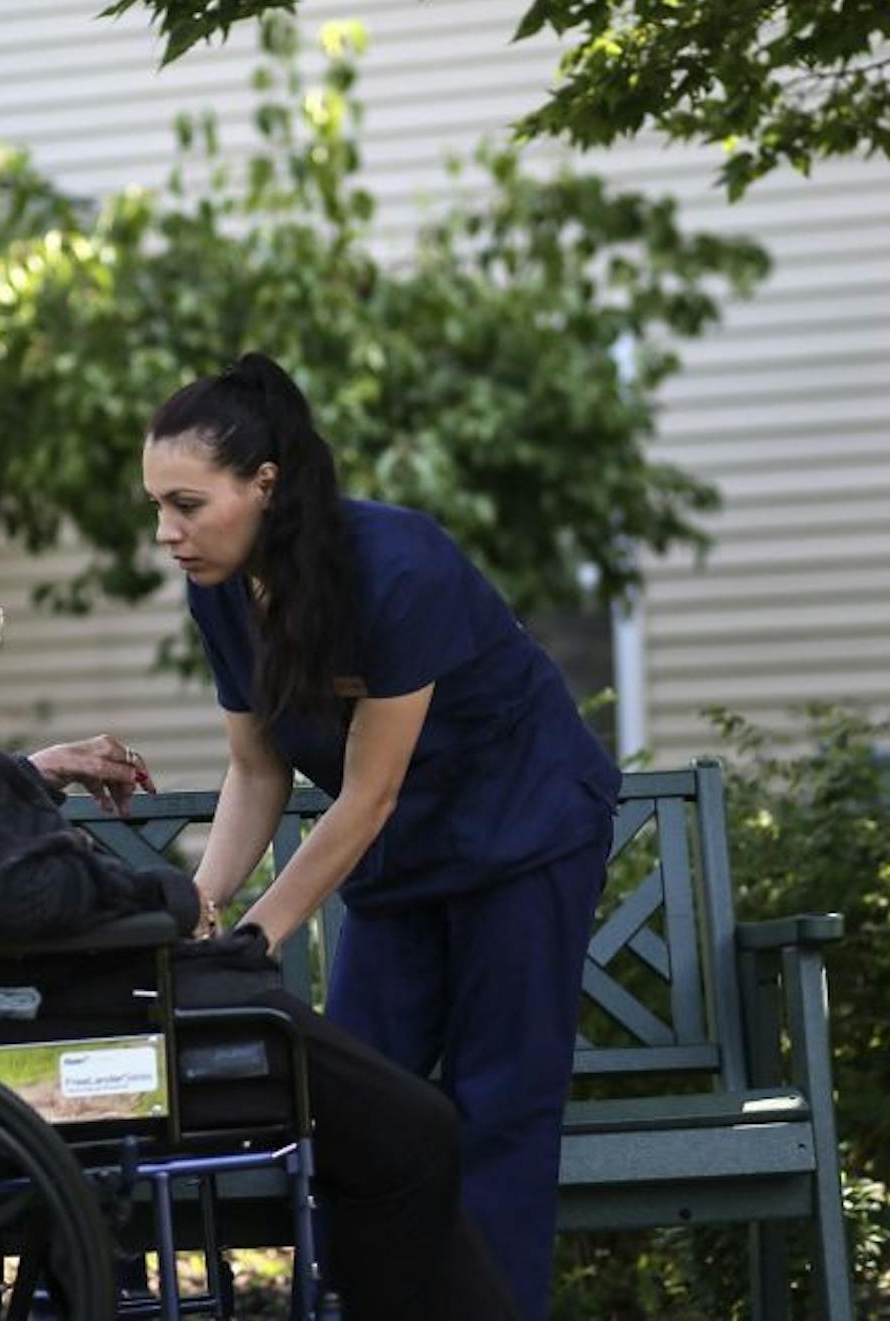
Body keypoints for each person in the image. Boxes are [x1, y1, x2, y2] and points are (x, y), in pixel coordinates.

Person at [0, 505, 522, 1321]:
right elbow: (7, 895)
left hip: (22, 1015)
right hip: (109, 1027)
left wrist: (29, 773)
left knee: (386, 1128)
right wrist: (169, 900)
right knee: (415, 1129)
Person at [143, 353, 622, 1320]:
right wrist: (204, 906)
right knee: (357, 1102)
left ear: (265, 483)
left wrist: (259, 935)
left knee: (499, 1110)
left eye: (187, 504)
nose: (166, 533)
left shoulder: (400, 567)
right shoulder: (220, 590)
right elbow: (258, 768)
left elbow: (367, 794)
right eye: (157, 506)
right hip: (401, 856)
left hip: (522, 833)